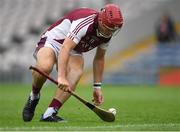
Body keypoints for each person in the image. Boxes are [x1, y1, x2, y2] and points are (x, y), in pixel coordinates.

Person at [22, 3, 123, 122]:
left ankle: (50, 113)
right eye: (108, 28)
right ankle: (34, 96)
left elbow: (99, 58)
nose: (110, 33)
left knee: (76, 71)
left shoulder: (107, 34)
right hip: (54, 41)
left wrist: (97, 87)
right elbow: (65, 47)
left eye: (113, 30)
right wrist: (61, 77)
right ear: (100, 21)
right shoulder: (85, 22)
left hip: (74, 49)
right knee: (44, 68)